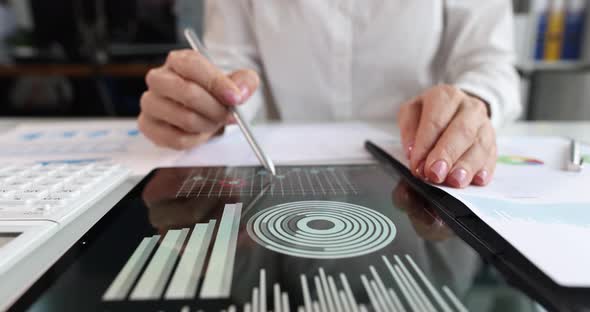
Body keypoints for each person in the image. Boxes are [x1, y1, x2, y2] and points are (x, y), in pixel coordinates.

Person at [138, 1, 521, 189]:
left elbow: (491, 62)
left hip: (418, 169)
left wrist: (472, 102)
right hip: (285, 186)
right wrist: (206, 101)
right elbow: (233, 68)